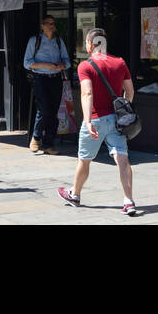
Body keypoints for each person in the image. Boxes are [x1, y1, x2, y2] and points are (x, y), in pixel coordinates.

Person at [58, 27, 138, 216]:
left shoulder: (85, 66)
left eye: (86, 42)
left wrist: (87, 121)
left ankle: (75, 195)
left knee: (84, 160)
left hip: (95, 118)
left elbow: (87, 93)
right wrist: (123, 113)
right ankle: (129, 201)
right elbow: (130, 91)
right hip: (116, 120)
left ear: (91, 44)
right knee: (122, 159)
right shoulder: (120, 62)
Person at [23, 14, 70, 155]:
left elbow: (67, 60)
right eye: (48, 23)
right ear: (42, 26)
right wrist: (46, 65)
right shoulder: (34, 41)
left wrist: (62, 64)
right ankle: (36, 137)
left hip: (56, 78)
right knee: (44, 110)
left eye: (53, 23)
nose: (51, 26)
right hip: (40, 78)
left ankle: (49, 144)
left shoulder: (59, 41)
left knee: (54, 112)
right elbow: (27, 63)